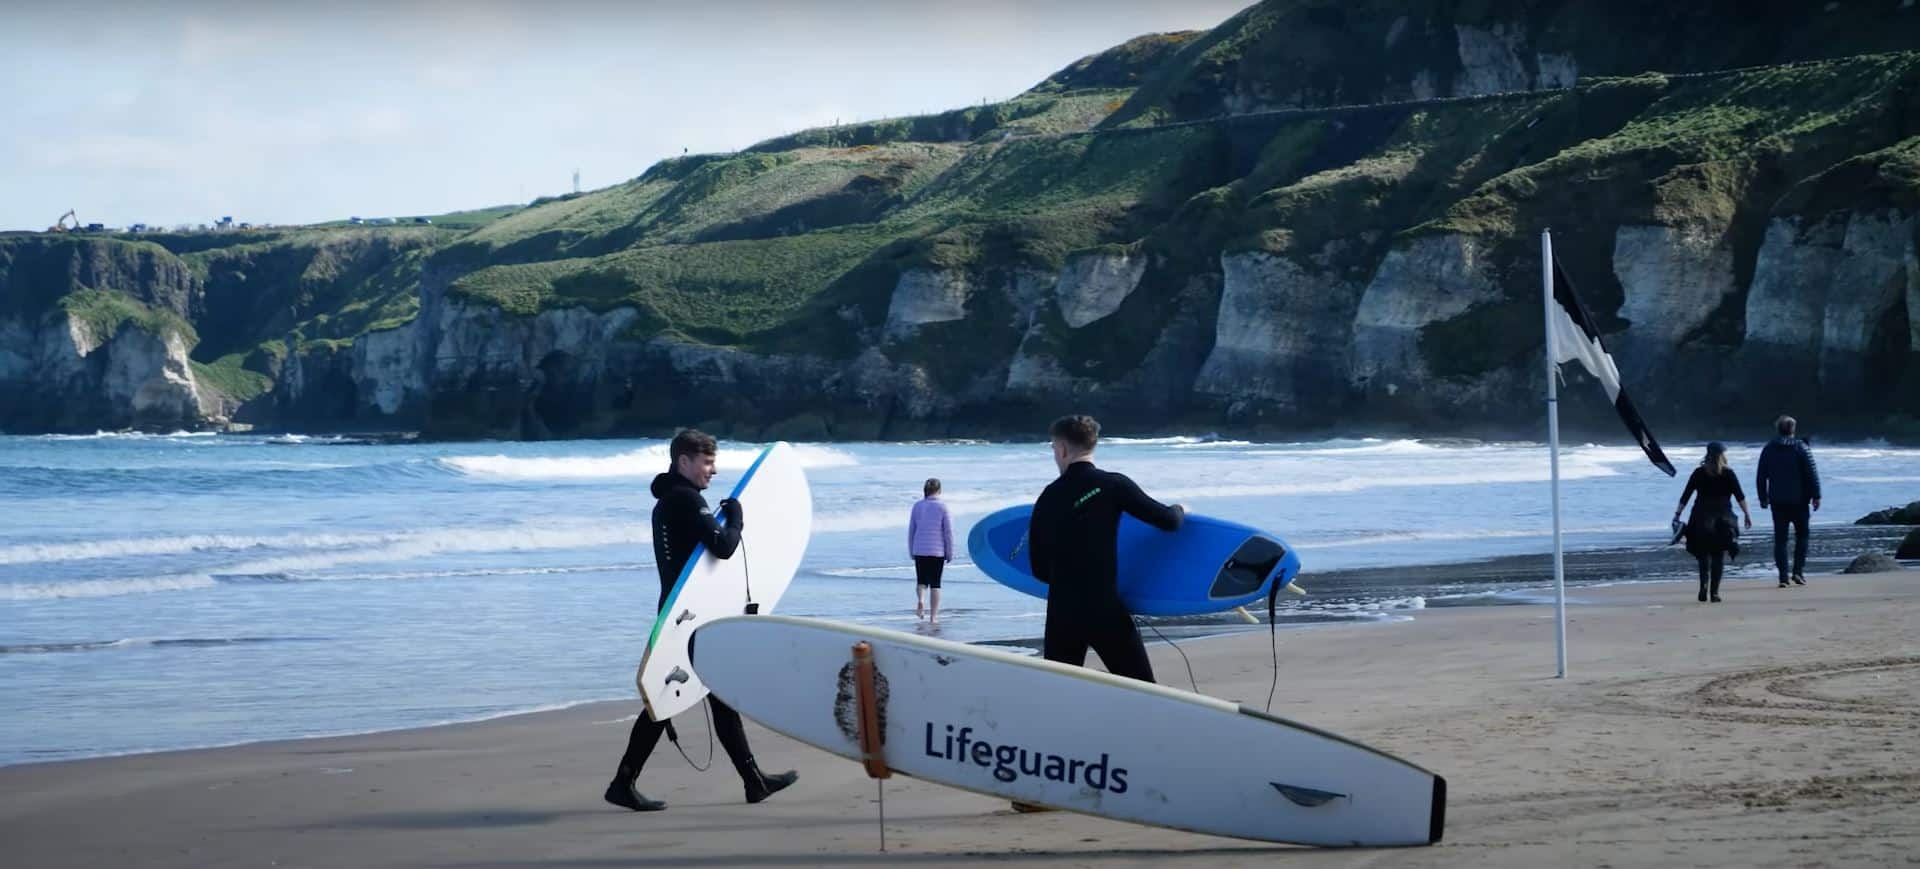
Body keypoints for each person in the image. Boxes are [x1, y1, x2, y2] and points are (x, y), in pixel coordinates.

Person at [603, 429, 797, 813]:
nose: (713, 470)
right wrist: (737, 521)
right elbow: (723, 548)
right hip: (687, 619)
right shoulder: (686, 501)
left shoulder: (669, 500)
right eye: (707, 462)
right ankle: (623, 782)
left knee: (717, 694)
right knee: (665, 699)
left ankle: (753, 780)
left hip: (679, 613)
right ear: (684, 462)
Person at [1027, 414, 1184, 682]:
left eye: (1053, 447)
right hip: (1103, 606)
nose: (1054, 454)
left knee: (1059, 692)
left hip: (1062, 611)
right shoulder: (1113, 485)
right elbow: (1167, 521)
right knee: (1141, 688)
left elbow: (1039, 568)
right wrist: (1180, 509)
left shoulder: (1048, 495)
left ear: (1063, 448)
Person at [1673, 442, 1753, 603]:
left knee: (1703, 555)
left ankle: (1703, 587)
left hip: (1700, 517)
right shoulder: (1728, 473)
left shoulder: (1698, 473)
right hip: (1723, 519)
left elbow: (1686, 495)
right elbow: (1740, 496)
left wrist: (1677, 514)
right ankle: (1714, 593)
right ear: (1723, 455)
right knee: (1718, 556)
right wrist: (1747, 514)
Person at [1756, 415, 1822, 588]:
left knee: (1780, 539)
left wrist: (1763, 497)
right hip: (1800, 501)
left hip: (1778, 501)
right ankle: (1798, 572)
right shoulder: (1802, 448)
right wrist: (1816, 496)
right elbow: (1811, 474)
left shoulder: (1769, 449)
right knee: (1802, 536)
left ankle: (1783, 577)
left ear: (1778, 429)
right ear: (1793, 429)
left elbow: (1761, 476)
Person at [908, 477, 953, 624]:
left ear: (925, 491)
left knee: (921, 581)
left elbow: (911, 530)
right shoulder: (943, 507)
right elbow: (948, 532)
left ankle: (921, 600)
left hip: (919, 549)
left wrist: (911, 550)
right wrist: (949, 552)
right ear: (939, 491)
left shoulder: (917, 506)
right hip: (937, 551)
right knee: (935, 584)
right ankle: (933, 617)